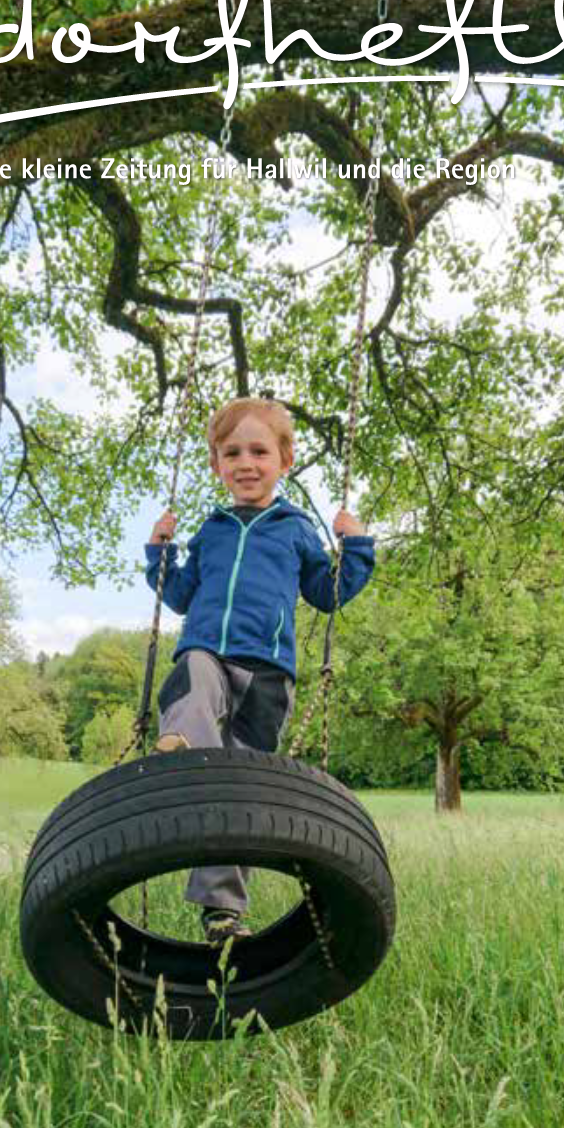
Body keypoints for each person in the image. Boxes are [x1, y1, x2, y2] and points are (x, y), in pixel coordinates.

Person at [145, 397, 375, 945]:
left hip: (268, 676)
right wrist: (161, 554)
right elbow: (178, 596)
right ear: (216, 464)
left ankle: (222, 915)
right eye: (231, 453)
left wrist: (357, 546)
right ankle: (183, 751)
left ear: (284, 461)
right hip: (208, 651)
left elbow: (329, 593)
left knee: (241, 792)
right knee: (195, 677)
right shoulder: (211, 531)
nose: (245, 463)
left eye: (258, 451)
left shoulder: (295, 529)